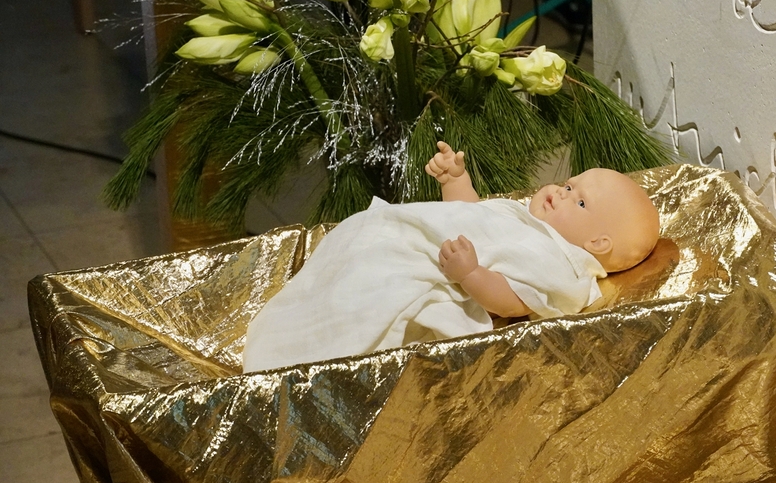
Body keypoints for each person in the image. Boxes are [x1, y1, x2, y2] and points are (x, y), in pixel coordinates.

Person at [242, 142, 660, 372]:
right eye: (568, 185)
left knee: (374, 289)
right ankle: (318, 300)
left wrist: (472, 273)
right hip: (409, 239)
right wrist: (455, 180)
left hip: (440, 271)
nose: (561, 193)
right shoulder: (525, 219)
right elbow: (471, 217)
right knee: (359, 249)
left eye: (579, 201)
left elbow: (513, 299)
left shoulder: (562, 265)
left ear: (598, 244)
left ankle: (301, 346)